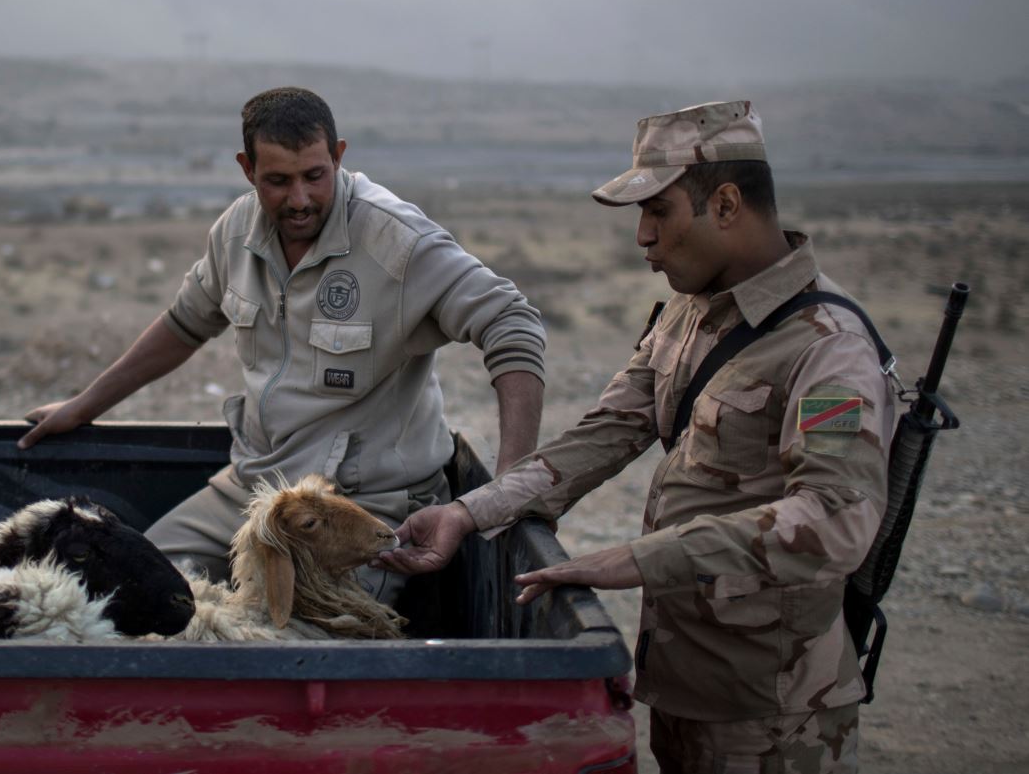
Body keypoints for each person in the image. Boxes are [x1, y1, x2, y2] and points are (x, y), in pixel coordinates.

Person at [376, 100, 891, 773]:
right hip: (684, 677)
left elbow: (837, 517)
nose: (643, 236)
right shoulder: (690, 311)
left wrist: (640, 559)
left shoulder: (829, 349)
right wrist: (470, 511)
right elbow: (607, 431)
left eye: (659, 211)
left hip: (774, 708)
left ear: (726, 204)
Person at [18, 86, 547, 602]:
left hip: (361, 506)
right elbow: (184, 324)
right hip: (254, 491)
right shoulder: (236, 234)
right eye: (277, 181)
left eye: (315, 176)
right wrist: (82, 406)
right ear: (247, 170)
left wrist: (507, 488)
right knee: (127, 594)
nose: (299, 200)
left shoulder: (397, 242)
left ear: (338, 157)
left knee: (302, 637)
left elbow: (512, 322)